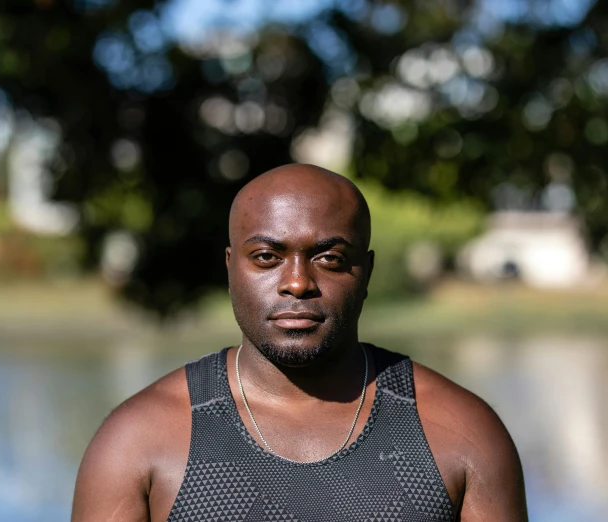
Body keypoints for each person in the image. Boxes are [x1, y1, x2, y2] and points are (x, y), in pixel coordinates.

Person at [71, 164, 528, 522]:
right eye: (266, 257)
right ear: (231, 269)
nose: (296, 283)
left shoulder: (461, 432)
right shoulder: (137, 440)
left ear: (364, 272)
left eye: (330, 258)